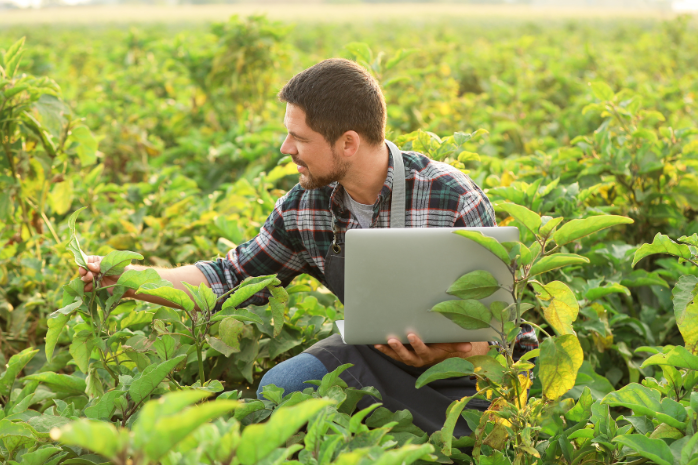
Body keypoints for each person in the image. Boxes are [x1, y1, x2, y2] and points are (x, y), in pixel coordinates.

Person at [80, 58, 538, 436]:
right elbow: (229, 278)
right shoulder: (305, 207)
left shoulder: (452, 197)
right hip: (374, 355)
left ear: (348, 143)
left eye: (299, 138)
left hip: (468, 373)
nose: (285, 148)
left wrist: (450, 354)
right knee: (283, 389)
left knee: (480, 436)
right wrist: (125, 279)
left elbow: (500, 336)